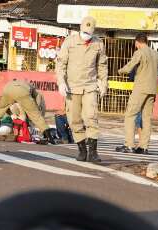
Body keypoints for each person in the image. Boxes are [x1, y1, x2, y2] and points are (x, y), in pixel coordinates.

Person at [56, 16, 108, 162]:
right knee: (74, 120)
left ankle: (93, 152)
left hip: (90, 86)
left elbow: (102, 65)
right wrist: (61, 82)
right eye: (85, 32)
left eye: (89, 33)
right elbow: (61, 64)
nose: (86, 36)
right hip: (72, 87)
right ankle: (82, 150)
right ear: (80, 29)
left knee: (91, 117)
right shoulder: (69, 42)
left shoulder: (98, 43)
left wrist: (103, 83)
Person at [0, 79, 56, 144]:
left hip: (7, 90)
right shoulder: (32, 90)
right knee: (35, 114)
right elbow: (36, 109)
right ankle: (48, 136)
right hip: (22, 93)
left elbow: (1, 109)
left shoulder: (13, 86)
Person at [116, 33, 158, 155]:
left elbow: (129, 67)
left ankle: (129, 145)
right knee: (147, 118)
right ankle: (143, 147)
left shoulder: (139, 52)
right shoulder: (156, 54)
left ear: (137, 42)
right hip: (152, 89)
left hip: (140, 88)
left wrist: (120, 71)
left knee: (130, 115)